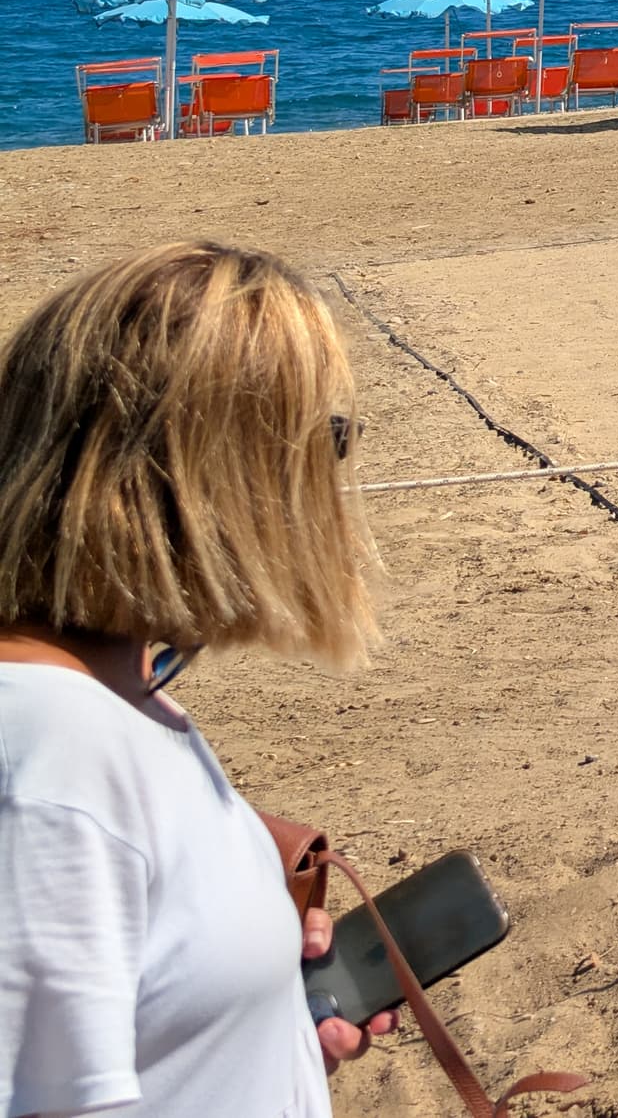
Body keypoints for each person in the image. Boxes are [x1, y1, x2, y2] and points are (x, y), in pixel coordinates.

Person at [0, 244, 394, 1114]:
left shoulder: (115, 696)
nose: (335, 468)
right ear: (213, 475)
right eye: (325, 435)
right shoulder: (59, 769)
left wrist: (253, 1023)